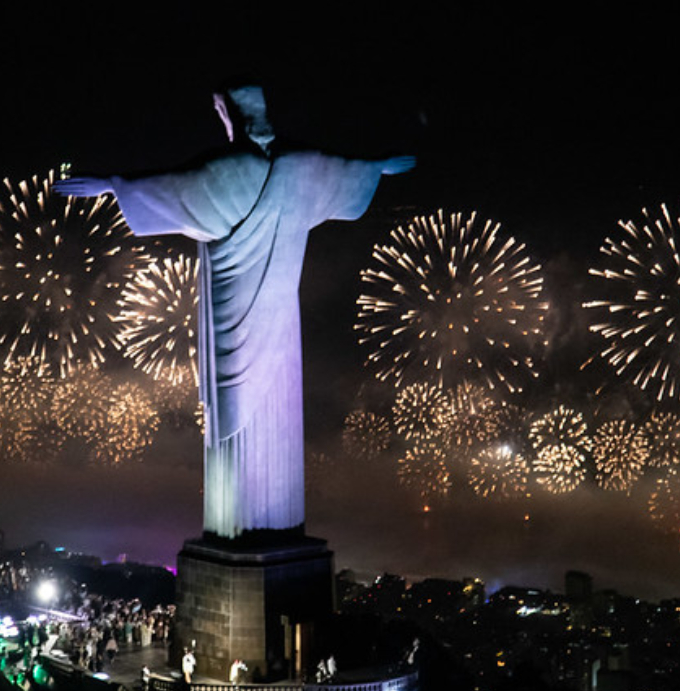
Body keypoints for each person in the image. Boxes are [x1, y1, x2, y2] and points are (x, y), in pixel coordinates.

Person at [55, 85, 413, 538]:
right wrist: (376, 167)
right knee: (263, 419)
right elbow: (344, 173)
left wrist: (110, 185)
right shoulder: (302, 169)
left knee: (234, 424)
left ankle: (241, 531)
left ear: (227, 115)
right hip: (282, 325)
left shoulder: (226, 171)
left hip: (232, 320)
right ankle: (268, 528)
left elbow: (168, 189)